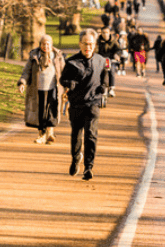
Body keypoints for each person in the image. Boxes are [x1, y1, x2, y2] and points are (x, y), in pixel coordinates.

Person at [60, 29, 108, 181]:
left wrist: (104, 86)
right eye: (85, 44)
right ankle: (75, 158)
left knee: (91, 135)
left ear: (95, 45)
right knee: (76, 135)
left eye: (91, 44)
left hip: (93, 102)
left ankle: (89, 166)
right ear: (80, 44)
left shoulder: (100, 60)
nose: (88, 47)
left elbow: (105, 75)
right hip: (76, 103)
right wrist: (69, 83)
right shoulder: (71, 62)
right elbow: (62, 79)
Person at [17, 35, 65, 144]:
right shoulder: (34, 56)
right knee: (41, 113)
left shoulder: (57, 56)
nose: (46, 46)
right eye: (43, 44)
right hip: (38, 89)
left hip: (54, 88)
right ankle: (41, 135)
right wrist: (22, 83)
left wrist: (67, 86)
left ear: (51, 45)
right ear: (40, 45)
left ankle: (50, 132)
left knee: (52, 111)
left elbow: (64, 71)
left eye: (48, 44)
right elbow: (26, 71)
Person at [96, 26, 120, 96]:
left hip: (110, 60)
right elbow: (95, 49)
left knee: (111, 71)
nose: (105, 34)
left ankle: (111, 88)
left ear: (109, 33)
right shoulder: (98, 40)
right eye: (103, 32)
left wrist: (116, 55)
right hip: (100, 60)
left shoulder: (113, 40)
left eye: (106, 32)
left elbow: (118, 49)